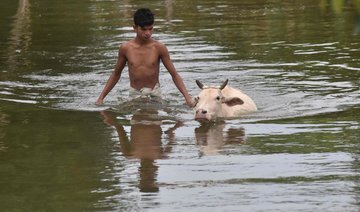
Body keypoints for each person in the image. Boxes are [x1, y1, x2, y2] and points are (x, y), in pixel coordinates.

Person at [96, 8, 195, 107]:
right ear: (135, 28)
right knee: (136, 122)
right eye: (144, 29)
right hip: (134, 94)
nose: (148, 33)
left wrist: (187, 97)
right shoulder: (126, 48)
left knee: (154, 121)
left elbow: (174, 74)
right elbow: (116, 74)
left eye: (150, 28)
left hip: (154, 94)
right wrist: (101, 98)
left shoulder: (159, 48)